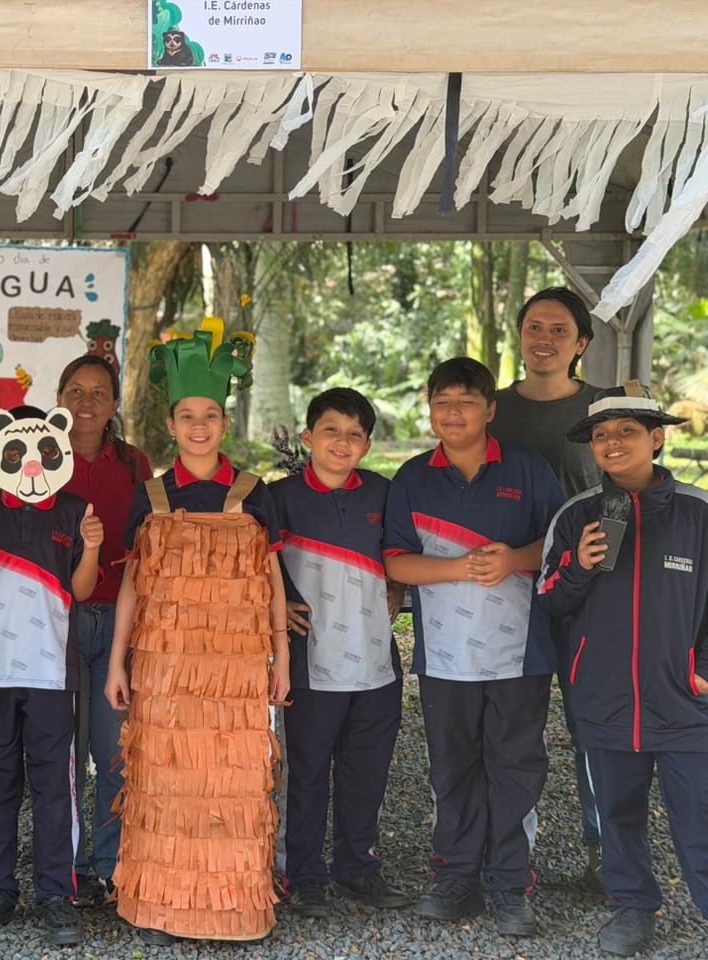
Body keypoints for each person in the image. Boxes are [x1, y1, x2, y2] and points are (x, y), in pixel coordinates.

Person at [105, 319, 289, 945]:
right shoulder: (149, 495)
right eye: (188, 415)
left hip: (238, 676)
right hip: (164, 669)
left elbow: (271, 582)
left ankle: (232, 910)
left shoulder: (256, 494)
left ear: (224, 422)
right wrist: (116, 664)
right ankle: (160, 909)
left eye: (210, 413)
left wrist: (282, 659)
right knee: (165, 776)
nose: (200, 425)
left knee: (233, 782)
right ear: (172, 424)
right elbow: (132, 583)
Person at [384, 357, 564, 938]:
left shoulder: (529, 469)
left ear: (490, 409)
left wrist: (513, 558)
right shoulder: (411, 477)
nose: (453, 411)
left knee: (515, 766)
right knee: (453, 768)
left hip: (523, 652)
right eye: (442, 401)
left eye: (466, 400)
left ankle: (511, 884)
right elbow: (396, 562)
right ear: (430, 409)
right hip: (445, 655)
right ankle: (456, 876)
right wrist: (458, 567)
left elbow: (558, 544)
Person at [538, 383, 708, 957]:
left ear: (656, 439)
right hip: (604, 700)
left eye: (627, 432)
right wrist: (579, 567)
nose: (613, 443)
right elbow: (550, 602)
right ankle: (633, 906)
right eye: (602, 435)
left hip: (687, 700)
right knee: (616, 814)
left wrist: (702, 668)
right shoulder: (577, 516)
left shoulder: (698, 513)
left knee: (699, 819)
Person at [0, 404, 102, 947]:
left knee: (56, 783)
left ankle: (57, 892)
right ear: (1, 450)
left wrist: (97, 545)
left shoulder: (77, 510)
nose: (31, 463)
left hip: (54, 674)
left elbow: (82, 590)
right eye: (16, 452)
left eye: (41, 450)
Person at [268, 388, 409, 918]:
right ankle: (304, 875)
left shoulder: (384, 493)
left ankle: (358, 868)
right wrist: (273, 604)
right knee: (305, 774)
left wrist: (400, 590)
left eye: (354, 434)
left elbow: (403, 558)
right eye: (330, 431)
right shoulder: (277, 498)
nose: (341, 442)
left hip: (376, 664)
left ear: (368, 444)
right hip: (309, 664)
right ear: (307, 438)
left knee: (366, 773)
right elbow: (257, 569)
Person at [489, 286, 606, 891]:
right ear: (520, 335)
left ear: (581, 344)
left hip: (591, 592)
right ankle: (510, 861)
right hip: (508, 589)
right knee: (513, 729)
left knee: (595, 725)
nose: (545, 338)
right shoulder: (493, 411)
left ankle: (606, 857)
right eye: (535, 326)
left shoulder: (606, 408)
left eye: (559, 330)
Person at [55, 355, 152, 903]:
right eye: (75, 390)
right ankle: (68, 867)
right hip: (60, 621)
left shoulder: (136, 464)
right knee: (65, 753)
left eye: (98, 393)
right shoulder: (37, 454)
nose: (86, 402)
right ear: (59, 396)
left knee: (115, 752)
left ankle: (112, 864)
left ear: (115, 405)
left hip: (121, 623)